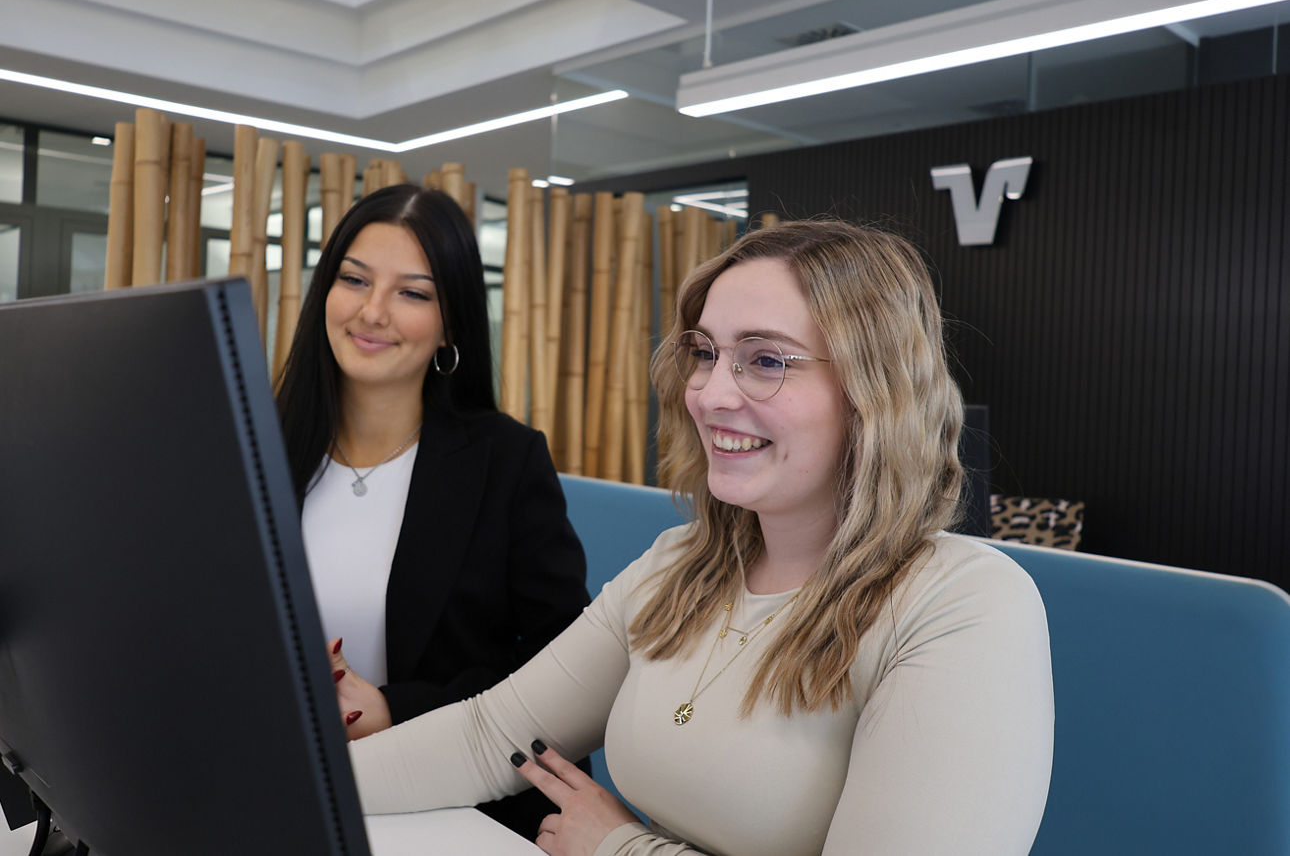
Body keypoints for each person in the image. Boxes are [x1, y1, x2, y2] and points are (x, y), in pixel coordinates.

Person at [339, 220, 1055, 855]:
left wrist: (621, 848)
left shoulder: (964, 605)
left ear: (877, 389)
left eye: (766, 360)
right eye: (706, 352)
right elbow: (489, 736)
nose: (710, 393)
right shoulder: (682, 567)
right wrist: (278, 783)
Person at [275, 183, 590, 840]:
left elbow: (570, 673)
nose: (372, 311)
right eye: (353, 280)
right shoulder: (258, 447)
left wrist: (393, 707)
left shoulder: (506, 462)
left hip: (448, 810)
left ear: (452, 322)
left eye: (412, 293)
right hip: (277, 784)